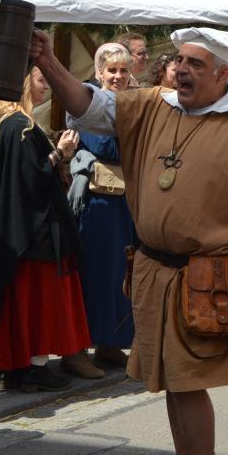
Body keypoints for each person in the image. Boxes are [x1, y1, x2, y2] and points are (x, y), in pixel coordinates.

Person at [33, 26, 228, 455]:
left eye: (195, 64)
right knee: (168, 381)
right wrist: (48, 61)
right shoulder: (149, 105)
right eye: (179, 60)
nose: (181, 69)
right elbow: (86, 103)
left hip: (207, 279)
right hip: (152, 270)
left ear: (225, 73)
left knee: (186, 382)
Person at [0, 67, 89, 393]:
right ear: (25, 82)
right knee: (37, 302)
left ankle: (15, 368)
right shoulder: (22, 127)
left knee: (17, 302)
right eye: (42, 80)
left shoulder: (3, 123)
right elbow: (33, 179)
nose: (47, 87)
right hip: (32, 233)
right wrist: (60, 153)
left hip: (13, 229)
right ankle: (35, 368)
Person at [64, 44, 138, 379]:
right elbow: (104, 145)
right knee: (93, 276)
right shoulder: (90, 104)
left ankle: (110, 343)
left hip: (124, 201)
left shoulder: (129, 102)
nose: (118, 77)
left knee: (119, 276)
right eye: (112, 71)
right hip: (98, 202)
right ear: (99, 72)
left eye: (123, 71)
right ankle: (77, 349)